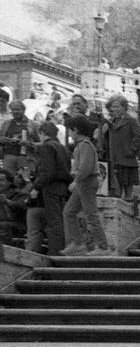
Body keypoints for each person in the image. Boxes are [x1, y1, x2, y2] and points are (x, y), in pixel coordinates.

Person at [60, 115, 113, 256]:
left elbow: (85, 167)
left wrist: (76, 180)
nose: (69, 134)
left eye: (70, 131)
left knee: (91, 214)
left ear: (75, 130)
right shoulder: (83, 146)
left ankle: (103, 246)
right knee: (69, 211)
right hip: (84, 182)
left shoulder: (85, 146)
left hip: (86, 182)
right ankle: (77, 242)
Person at [28, 121, 70, 254]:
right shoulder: (62, 147)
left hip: (51, 187)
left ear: (42, 133)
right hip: (63, 187)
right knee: (59, 220)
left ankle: (55, 253)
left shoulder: (46, 147)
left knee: (53, 222)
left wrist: (36, 187)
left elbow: (47, 171)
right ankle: (60, 249)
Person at [102, 93, 140, 202]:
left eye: (117, 106)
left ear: (124, 107)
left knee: (127, 187)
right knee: (116, 189)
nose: (114, 109)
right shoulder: (110, 122)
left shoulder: (131, 120)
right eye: (112, 106)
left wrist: (130, 151)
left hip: (126, 158)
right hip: (114, 158)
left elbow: (138, 138)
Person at [0, 100, 37, 175]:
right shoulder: (6, 123)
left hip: (25, 157)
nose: (15, 112)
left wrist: (29, 143)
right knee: (7, 180)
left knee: (24, 179)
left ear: (24, 110)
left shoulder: (33, 125)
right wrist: (4, 140)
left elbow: (41, 143)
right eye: (13, 110)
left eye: (17, 109)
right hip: (8, 156)